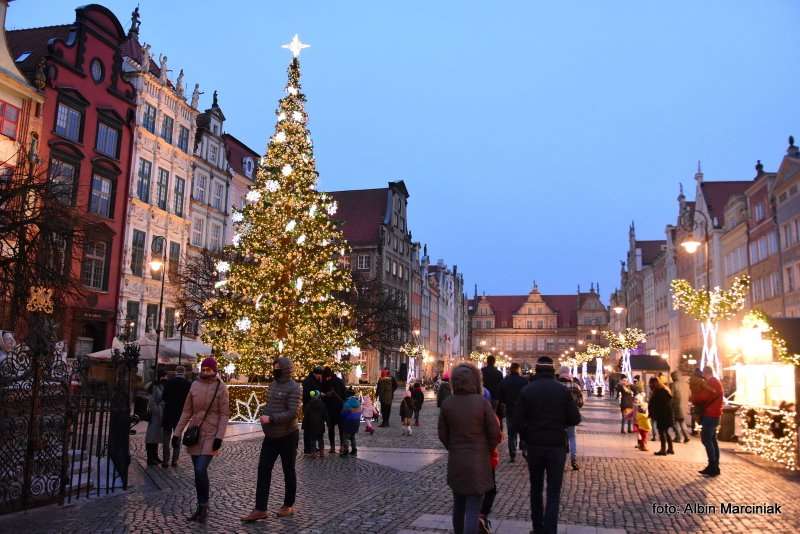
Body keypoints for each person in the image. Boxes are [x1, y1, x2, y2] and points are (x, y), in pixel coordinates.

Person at [513, 356, 580, 534]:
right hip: (557, 445)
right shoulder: (562, 391)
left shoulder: (527, 390)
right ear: (552, 370)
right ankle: (550, 530)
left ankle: (537, 527)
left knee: (535, 488)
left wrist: (526, 436)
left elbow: (517, 421)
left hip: (534, 445)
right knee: (553, 491)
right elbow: (575, 418)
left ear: (536, 369)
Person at [438, 363, 501, 534]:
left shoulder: (448, 403)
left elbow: (442, 434)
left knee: (458, 504)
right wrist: (487, 448)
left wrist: (453, 447)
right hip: (478, 461)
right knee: (473, 506)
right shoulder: (482, 403)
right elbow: (495, 433)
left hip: (457, 460)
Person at [241, 357, 302, 522]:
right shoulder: (273, 385)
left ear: (285, 369)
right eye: (274, 366)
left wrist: (272, 419)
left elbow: (292, 413)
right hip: (271, 436)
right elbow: (270, 404)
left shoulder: (294, 387)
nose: (274, 369)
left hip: (288, 435)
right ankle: (260, 508)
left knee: (288, 470)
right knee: (263, 469)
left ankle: (288, 505)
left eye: (277, 367)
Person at [173, 358, 229, 523]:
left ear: (214, 370)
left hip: (211, 434)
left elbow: (224, 415)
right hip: (195, 433)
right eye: (203, 369)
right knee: (198, 474)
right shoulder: (194, 386)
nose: (205, 372)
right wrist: (177, 433)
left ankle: (203, 505)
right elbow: (186, 412)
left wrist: (219, 437)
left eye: (208, 369)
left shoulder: (221, 388)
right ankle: (201, 506)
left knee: (200, 469)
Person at [691, 366, 723, 477]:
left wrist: (693, 398)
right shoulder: (715, 382)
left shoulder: (712, 382)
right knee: (712, 440)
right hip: (714, 414)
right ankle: (714, 466)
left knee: (706, 439)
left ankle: (713, 466)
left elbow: (703, 397)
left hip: (710, 414)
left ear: (705, 373)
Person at [479, 386, 501, 534]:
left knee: (463, 495)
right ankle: (481, 516)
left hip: (461, 458)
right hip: (486, 457)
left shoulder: (452, 404)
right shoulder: (490, 413)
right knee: (490, 489)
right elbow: (496, 436)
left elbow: (444, 433)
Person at [162, 366, 192, 467]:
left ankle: (165, 460)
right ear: (184, 373)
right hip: (180, 414)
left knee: (166, 437)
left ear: (176, 372)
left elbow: (164, 397)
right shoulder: (188, 384)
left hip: (168, 412)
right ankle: (175, 460)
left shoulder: (169, 382)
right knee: (177, 436)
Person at [498, 362, 527, 462]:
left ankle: (512, 454)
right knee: (523, 431)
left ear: (510, 370)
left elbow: (500, 397)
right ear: (518, 369)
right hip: (522, 410)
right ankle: (524, 449)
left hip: (510, 409)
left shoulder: (505, 381)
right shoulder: (524, 381)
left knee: (511, 433)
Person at [557, 366, 583, 470]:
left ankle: (561, 461)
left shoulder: (556, 385)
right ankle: (573, 460)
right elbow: (581, 402)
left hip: (558, 417)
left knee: (560, 439)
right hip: (571, 416)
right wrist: (575, 407)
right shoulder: (575, 386)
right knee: (572, 438)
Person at [321, 366, 346, 452]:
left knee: (331, 428)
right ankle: (341, 446)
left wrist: (325, 396)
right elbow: (344, 393)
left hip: (331, 408)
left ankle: (333, 447)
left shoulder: (326, 382)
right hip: (339, 407)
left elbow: (323, 396)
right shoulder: (339, 381)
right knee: (340, 428)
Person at [301, 367, 325, 456]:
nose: (321, 376)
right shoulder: (308, 381)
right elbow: (308, 393)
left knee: (313, 428)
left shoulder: (316, 380)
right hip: (309, 407)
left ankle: (312, 447)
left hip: (313, 407)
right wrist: (319, 393)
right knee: (308, 428)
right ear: (316, 374)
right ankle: (308, 448)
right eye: (320, 375)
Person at [145, 370, 167, 466]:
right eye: (164, 376)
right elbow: (152, 402)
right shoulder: (154, 387)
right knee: (152, 437)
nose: (165, 378)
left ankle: (155, 456)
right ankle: (150, 458)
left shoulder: (161, 386)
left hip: (160, 415)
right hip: (155, 415)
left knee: (157, 436)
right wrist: (160, 408)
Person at [648, 377, 674, 456]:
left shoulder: (660, 392)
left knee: (662, 432)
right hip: (666, 415)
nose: (650, 385)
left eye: (651, 383)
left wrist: (653, 414)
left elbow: (657, 405)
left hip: (662, 416)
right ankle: (670, 448)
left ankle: (663, 450)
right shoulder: (665, 390)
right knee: (666, 432)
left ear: (655, 383)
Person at [302, 390, 326, 457]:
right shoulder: (322, 404)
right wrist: (327, 422)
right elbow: (325, 414)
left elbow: (306, 416)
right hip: (320, 424)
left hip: (311, 424)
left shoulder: (309, 404)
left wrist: (304, 425)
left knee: (313, 439)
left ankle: (313, 453)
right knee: (320, 439)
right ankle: (322, 452)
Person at [481, 355, 503, 424]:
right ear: (494, 362)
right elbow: (501, 386)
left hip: (483, 395)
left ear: (487, 361)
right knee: (493, 413)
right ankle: (493, 426)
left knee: (483, 413)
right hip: (494, 396)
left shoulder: (482, 371)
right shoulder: (499, 373)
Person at [670, 371, 690, 443]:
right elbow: (689, 395)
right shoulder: (686, 385)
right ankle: (686, 437)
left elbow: (670, 396)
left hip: (676, 406)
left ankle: (678, 437)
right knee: (682, 422)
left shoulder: (674, 385)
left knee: (674, 422)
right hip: (685, 406)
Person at [340, 389, 362, 456]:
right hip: (356, 422)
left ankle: (345, 451)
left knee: (345, 437)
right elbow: (360, 412)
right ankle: (354, 450)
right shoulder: (358, 402)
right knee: (352, 436)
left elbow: (343, 414)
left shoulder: (346, 403)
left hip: (348, 422)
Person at [688, 368, 705, 436]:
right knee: (701, 416)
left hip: (694, 400)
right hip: (701, 400)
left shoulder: (691, 380)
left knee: (694, 416)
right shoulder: (702, 381)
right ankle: (702, 430)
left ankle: (694, 431)